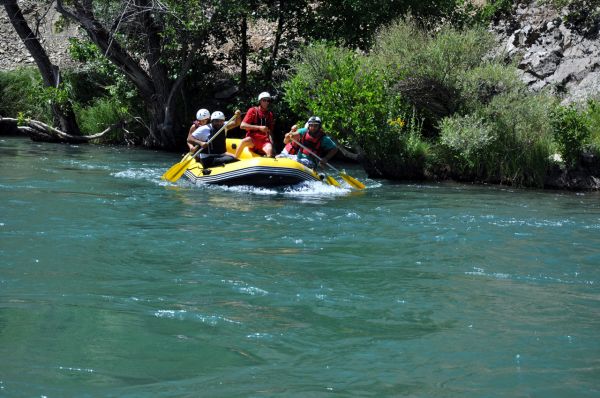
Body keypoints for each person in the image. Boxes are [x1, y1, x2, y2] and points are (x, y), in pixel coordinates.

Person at [235, 91, 275, 158]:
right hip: (252, 139)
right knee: (244, 141)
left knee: (270, 150)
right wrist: (259, 128)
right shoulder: (252, 111)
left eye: (268, 101)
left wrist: (272, 144)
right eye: (264, 100)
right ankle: (234, 159)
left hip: (264, 140)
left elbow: (270, 132)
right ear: (260, 101)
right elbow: (242, 125)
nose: (266, 102)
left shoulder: (270, 114)